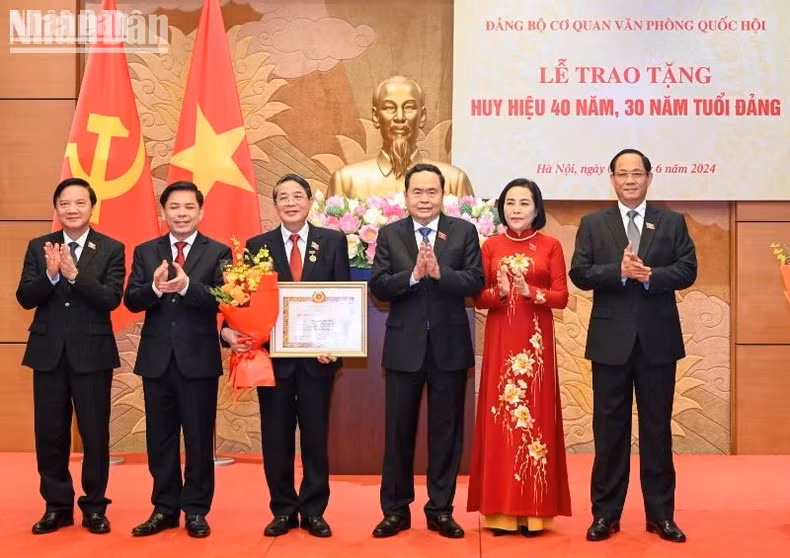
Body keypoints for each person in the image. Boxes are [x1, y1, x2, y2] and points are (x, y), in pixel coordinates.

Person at [569, 148, 697, 543]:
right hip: (610, 343)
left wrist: (651, 275)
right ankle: (605, 514)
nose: (629, 180)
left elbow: (688, 269)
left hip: (658, 341)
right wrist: (618, 272)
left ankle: (661, 515)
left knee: (657, 430)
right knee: (610, 431)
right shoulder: (594, 224)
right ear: (611, 179)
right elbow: (580, 272)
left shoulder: (672, 222)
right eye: (622, 174)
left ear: (649, 177)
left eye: (636, 173)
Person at [221, 174, 350, 538]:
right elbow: (244, 302)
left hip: (317, 359)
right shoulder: (257, 245)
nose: (291, 203)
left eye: (298, 196)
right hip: (272, 359)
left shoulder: (333, 241)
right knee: (275, 437)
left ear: (310, 202)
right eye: (283, 198)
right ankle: (282, 508)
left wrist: (336, 346)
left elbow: (342, 298)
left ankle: (313, 510)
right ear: (274, 204)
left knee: (315, 436)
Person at [369, 163, 483, 539]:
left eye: (431, 192)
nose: (424, 198)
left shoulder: (463, 232)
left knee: (446, 434)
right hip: (404, 349)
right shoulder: (390, 234)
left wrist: (439, 274)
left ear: (442, 195)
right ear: (406, 196)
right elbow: (380, 287)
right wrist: (415, 276)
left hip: (449, 348)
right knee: (398, 432)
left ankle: (440, 510)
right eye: (417, 192)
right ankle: (395, 511)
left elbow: (475, 281)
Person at [15, 177, 125, 536]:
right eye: (65, 203)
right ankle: (57, 506)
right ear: (57, 208)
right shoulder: (38, 246)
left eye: (80, 202)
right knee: (50, 434)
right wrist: (49, 275)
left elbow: (111, 299)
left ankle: (94, 506)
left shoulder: (110, 248)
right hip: (48, 354)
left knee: (94, 433)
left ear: (92, 207)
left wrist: (75, 276)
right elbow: (24, 298)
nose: (72, 209)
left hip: (92, 354)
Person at [123, 181, 231, 539]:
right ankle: (164, 508)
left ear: (200, 212)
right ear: (164, 211)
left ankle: (196, 510)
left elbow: (222, 298)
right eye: (174, 207)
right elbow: (132, 300)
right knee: (160, 438)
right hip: (156, 359)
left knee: (199, 439)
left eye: (188, 207)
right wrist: (155, 288)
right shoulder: (146, 250)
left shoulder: (217, 252)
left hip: (198, 359)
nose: (181, 213)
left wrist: (186, 287)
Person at [467, 179, 571, 536]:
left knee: (535, 422)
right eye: (510, 202)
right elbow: (478, 297)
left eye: (524, 203)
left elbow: (562, 297)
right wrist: (501, 291)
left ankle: (535, 512)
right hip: (501, 344)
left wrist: (532, 292)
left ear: (537, 209)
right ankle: (501, 513)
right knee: (501, 421)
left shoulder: (551, 245)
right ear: (501, 208)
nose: (516, 209)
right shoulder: (490, 246)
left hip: (536, 346)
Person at [326, 75, 474, 199]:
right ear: (376, 117)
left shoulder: (454, 180)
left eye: (409, 107)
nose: (399, 117)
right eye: (389, 108)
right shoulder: (346, 181)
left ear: (422, 116)